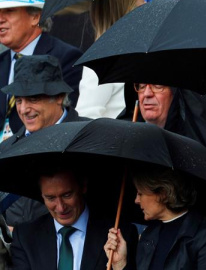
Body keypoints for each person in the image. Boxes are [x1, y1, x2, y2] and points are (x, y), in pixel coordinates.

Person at [0, 55, 90, 229]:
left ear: (59, 97)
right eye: (19, 100)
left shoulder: (88, 137)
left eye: (33, 99)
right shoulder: (6, 150)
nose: (24, 109)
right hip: (18, 251)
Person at [9, 166, 139, 270]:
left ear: (83, 186)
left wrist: (120, 266)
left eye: (67, 195)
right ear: (41, 196)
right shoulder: (25, 236)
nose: (60, 208)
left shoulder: (119, 235)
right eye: (51, 198)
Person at [104, 167, 206, 270]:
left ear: (163, 193)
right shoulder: (149, 235)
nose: (136, 200)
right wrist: (119, 264)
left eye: (140, 194)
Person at [0, 0, 83, 137]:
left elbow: (67, 116)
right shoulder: (1, 62)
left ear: (35, 17)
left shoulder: (65, 57)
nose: (0, 19)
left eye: (9, 11)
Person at [129, 83, 206, 176]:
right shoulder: (128, 134)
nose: (147, 93)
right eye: (142, 86)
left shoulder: (205, 137)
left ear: (175, 93)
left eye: (157, 86)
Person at [75, 0, 145, 119]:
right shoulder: (102, 56)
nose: (145, 3)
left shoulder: (137, 49)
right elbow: (87, 116)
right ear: (127, 7)